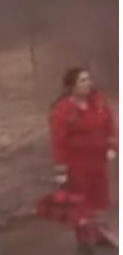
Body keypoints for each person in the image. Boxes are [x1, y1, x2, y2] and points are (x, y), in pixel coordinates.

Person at [49, 67, 117, 214]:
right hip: (77, 166)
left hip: (98, 162)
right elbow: (58, 141)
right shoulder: (62, 110)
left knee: (102, 203)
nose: (88, 83)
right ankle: (86, 234)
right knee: (83, 206)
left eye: (89, 79)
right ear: (72, 86)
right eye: (83, 80)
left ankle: (105, 233)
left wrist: (111, 146)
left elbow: (109, 124)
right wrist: (61, 170)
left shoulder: (98, 102)